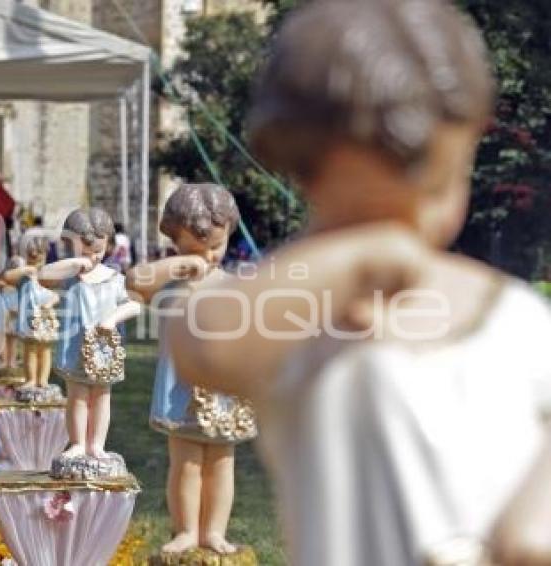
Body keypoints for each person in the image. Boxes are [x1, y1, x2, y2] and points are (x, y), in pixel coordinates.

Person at [167, 1, 551, 565]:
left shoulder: (511, 319)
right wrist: (368, 258)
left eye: (433, 182)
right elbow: (200, 341)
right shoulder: (303, 320)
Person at [127, 184, 256, 555]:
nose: (210, 256)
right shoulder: (169, 283)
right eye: (198, 248)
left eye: (218, 246)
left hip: (222, 388)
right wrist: (179, 263)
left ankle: (214, 530)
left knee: (220, 462)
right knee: (185, 464)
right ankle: (185, 529)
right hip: (181, 388)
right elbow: (135, 281)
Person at [39, 208, 140, 464]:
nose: (93, 257)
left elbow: (134, 304)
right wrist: (74, 263)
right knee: (78, 396)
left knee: (101, 396)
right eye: (85, 252)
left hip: (104, 350)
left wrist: (112, 319)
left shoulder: (114, 278)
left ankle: (96, 445)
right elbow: (43, 276)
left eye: (98, 251)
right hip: (76, 347)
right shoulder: (69, 277)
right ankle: (77, 443)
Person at [4, 236, 60, 390]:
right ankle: (31, 379)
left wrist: (50, 302)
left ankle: (43, 380)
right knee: (30, 350)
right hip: (29, 318)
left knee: (45, 349)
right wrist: (26, 269)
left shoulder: (45, 274)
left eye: (39, 253)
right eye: (31, 253)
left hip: (45, 317)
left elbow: (55, 294)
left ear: (45, 255)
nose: (35, 255)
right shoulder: (23, 276)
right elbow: (7, 277)